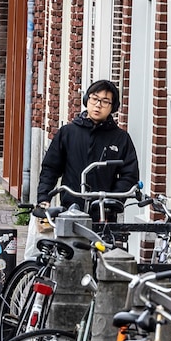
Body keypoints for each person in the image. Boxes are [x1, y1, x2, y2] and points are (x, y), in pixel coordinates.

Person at [29, 79, 140, 257]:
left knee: (102, 260)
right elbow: (50, 168)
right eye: (94, 99)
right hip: (70, 210)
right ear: (86, 100)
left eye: (105, 101)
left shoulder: (121, 139)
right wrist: (44, 197)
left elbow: (129, 175)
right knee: (68, 258)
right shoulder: (68, 133)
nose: (98, 105)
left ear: (113, 107)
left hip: (103, 214)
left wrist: (112, 201)